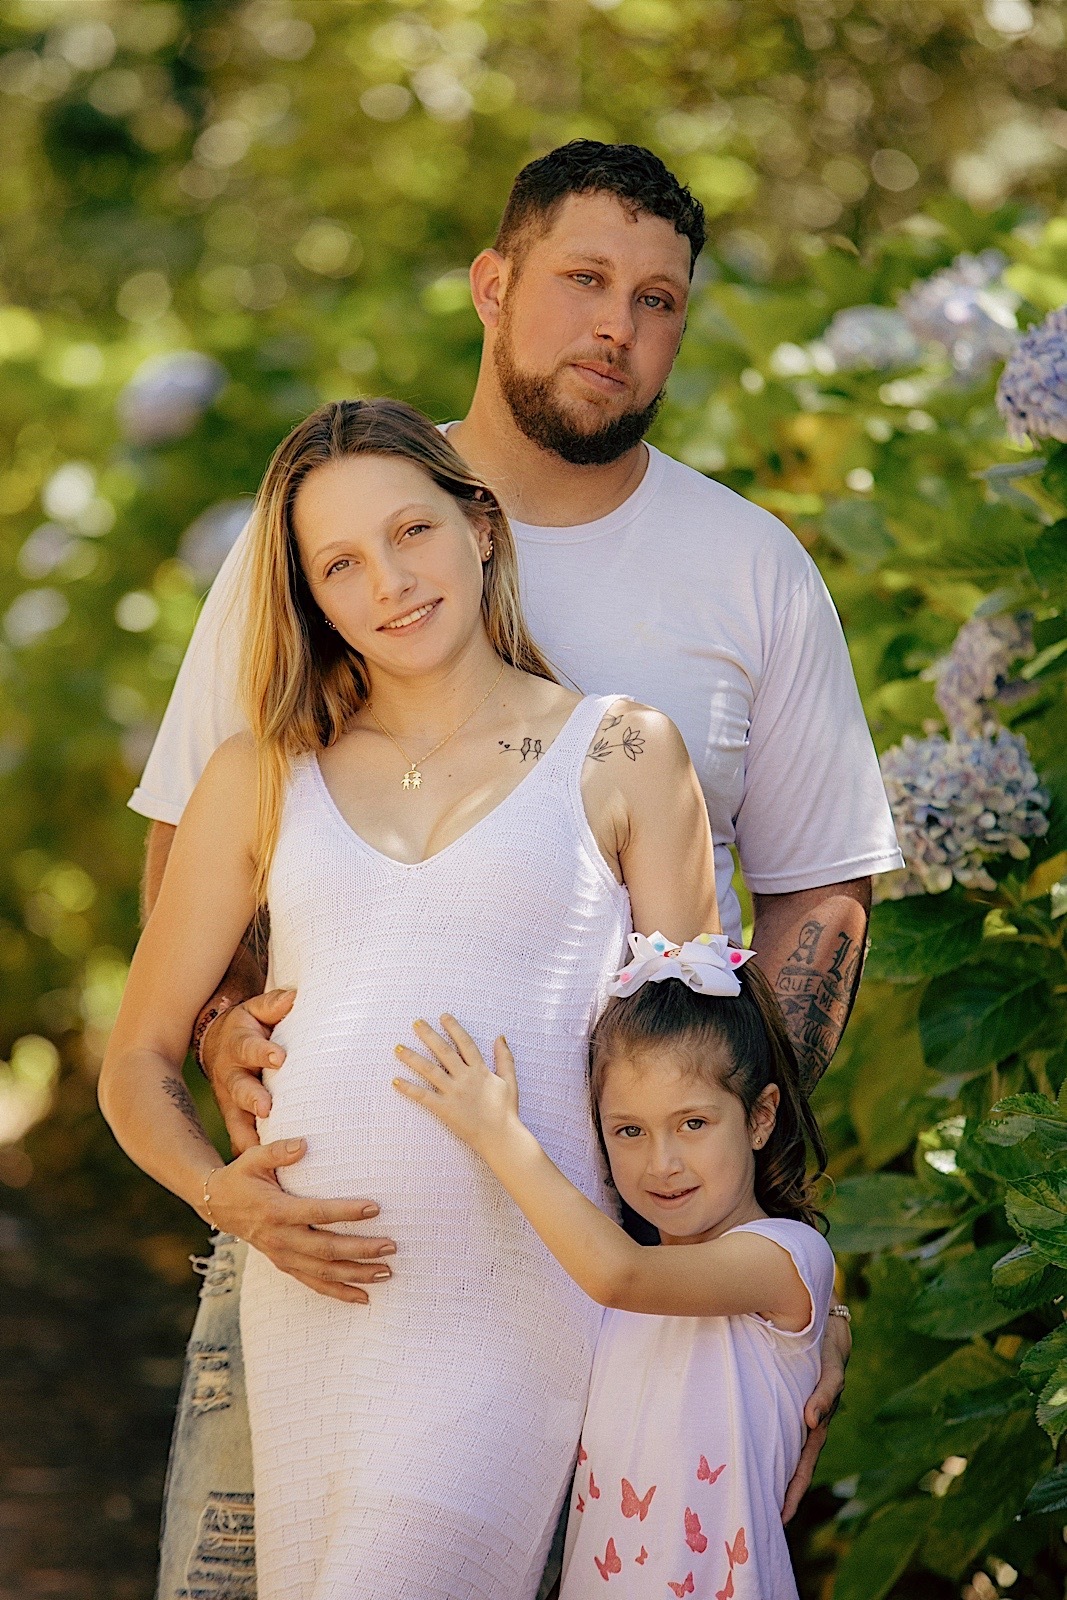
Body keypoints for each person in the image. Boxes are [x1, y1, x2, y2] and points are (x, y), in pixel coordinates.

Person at [132, 143, 901, 1593]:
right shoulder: (331, 511)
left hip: (602, 1281)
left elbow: (813, 897)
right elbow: (200, 835)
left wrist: (757, 1242)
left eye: (658, 299)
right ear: (492, 285)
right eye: (582, 281)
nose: (617, 325)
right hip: (311, 1244)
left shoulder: (749, 570)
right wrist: (229, 1021)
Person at [101, 396, 725, 1598]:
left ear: (479, 526)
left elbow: (704, 1067)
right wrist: (219, 1195)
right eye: (340, 563)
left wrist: (775, 1295)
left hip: (517, 1307)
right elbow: (134, 1062)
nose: (388, 581)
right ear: (311, 597)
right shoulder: (259, 777)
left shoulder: (622, 753)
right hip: (311, 1307)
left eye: (411, 532)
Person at [392, 934, 835, 1600]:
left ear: (759, 1117)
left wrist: (496, 1133)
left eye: (692, 1123)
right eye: (629, 1131)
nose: (661, 1162)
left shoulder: (783, 1257)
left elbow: (619, 1275)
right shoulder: (609, 1297)